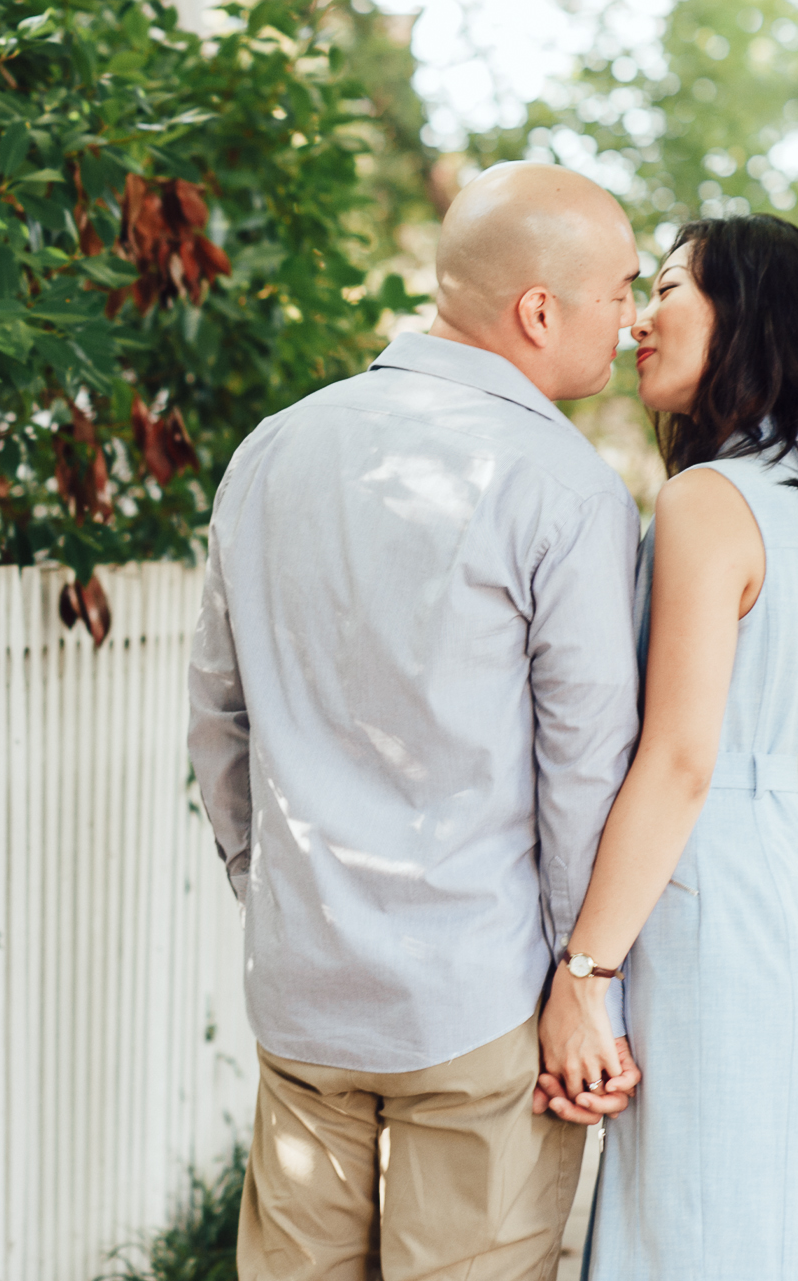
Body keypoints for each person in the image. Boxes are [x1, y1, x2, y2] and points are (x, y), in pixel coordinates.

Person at [188, 161, 644, 1281]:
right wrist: (583, 984)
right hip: (482, 1004)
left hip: (304, 989)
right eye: (623, 292)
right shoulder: (563, 487)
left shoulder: (273, 451)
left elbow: (217, 715)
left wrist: (278, 891)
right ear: (540, 311)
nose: (633, 323)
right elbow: (585, 767)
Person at [537, 215, 798, 1281]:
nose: (640, 318)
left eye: (670, 288)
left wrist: (581, 975)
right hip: (778, 882)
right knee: (745, 1229)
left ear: (748, 317)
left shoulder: (709, 498)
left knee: (683, 1237)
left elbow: (680, 759)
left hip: (707, 894)